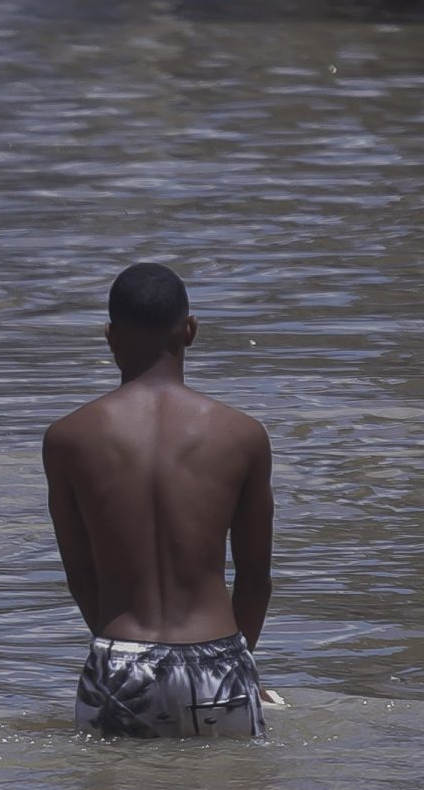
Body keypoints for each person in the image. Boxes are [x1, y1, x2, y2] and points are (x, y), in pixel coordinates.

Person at [43, 264, 273, 740]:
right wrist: (236, 663)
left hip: (120, 657)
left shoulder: (68, 438)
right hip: (219, 657)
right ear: (190, 330)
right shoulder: (243, 435)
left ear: (110, 336)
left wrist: (122, 654)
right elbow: (255, 579)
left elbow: (81, 576)